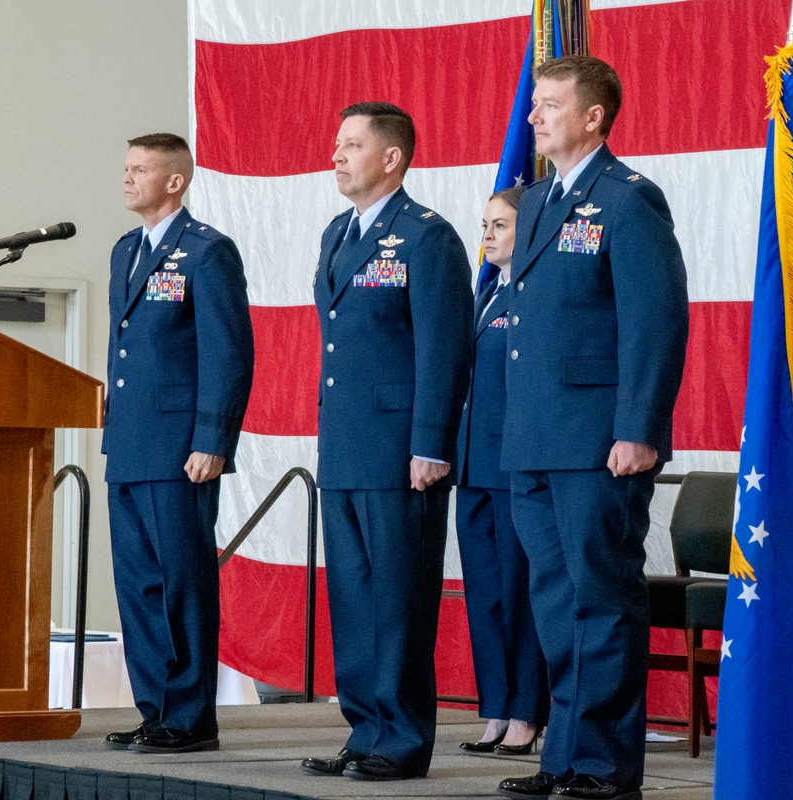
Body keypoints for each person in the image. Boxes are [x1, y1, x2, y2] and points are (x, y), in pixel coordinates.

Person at [496, 56, 688, 800]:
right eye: (535, 104)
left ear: (594, 116)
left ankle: (605, 766)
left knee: (601, 601)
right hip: (535, 439)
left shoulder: (628, 199)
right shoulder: (538, 200)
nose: (535, 116)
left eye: (549, 105)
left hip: (601, 441)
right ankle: (566, 757)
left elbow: (655, 321)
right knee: (555, 603)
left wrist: (638, 427)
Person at [301, 102, 473, 781]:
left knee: (397, 597)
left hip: (403, 448)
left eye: (352, 144)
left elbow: (443, 348)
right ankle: (365, 728)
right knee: (352, 596)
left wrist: (431, 443)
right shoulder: (338, 233)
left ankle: (401, 740)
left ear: (392, 157)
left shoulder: (426, 237)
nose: (337, 154)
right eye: (337, 142)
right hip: (346, 444)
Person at [101, 133, 255, 754]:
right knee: (137, 583)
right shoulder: (124, 252)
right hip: (129, 445)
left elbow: (229, 352)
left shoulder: (206, 252)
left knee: (182, 582)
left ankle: (190, 716)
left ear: (175, 180)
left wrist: (213, 438)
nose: (127, 178)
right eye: (126, 166)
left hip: (180, 448)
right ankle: (154, 707)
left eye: (140, 169)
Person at [456, 188, 549, 758]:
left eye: (501, 224)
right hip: (474, 464)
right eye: (484, 224)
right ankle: (496, 705)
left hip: (516, 464)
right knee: (484, 593)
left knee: (520, 593)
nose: (488, 235)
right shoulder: (487, 295)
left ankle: (527, 712)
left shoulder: (536, 293)